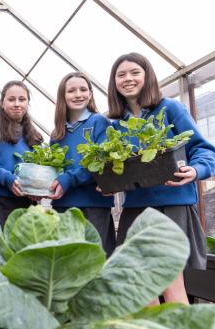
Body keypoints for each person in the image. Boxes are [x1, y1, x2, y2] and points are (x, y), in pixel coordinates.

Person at [108, 52, 215, 304]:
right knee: (142, 288)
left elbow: (202, 149)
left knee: (170, 284)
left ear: (148, 76)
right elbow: (111, 167)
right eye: (121, 75)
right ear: (114, 83)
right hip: (135, 210)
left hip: (170, 206)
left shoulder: (170, 109)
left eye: (135, 72)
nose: (128, 79)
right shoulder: (115, 124)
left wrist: (196, 170)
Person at [47, 71, 116, 256]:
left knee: (94, 260)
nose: (78, 95)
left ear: (91, 94)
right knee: (68, 262)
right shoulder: (56, 134)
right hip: (63, 207)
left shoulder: (99, 122)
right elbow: (55, 170)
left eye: (83, 89)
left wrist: (69, 178)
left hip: (94, 206)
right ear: (63, 96)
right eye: (71, 91)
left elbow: (99, 160)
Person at [0, 81, 43, 238]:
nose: (17, 104)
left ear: (28, 103)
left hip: (24, 205)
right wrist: (7, 178)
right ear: (2, 103)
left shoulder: (34, 136)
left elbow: (40, 169)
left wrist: (38, 189)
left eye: (22, 99)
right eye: (11, 99)